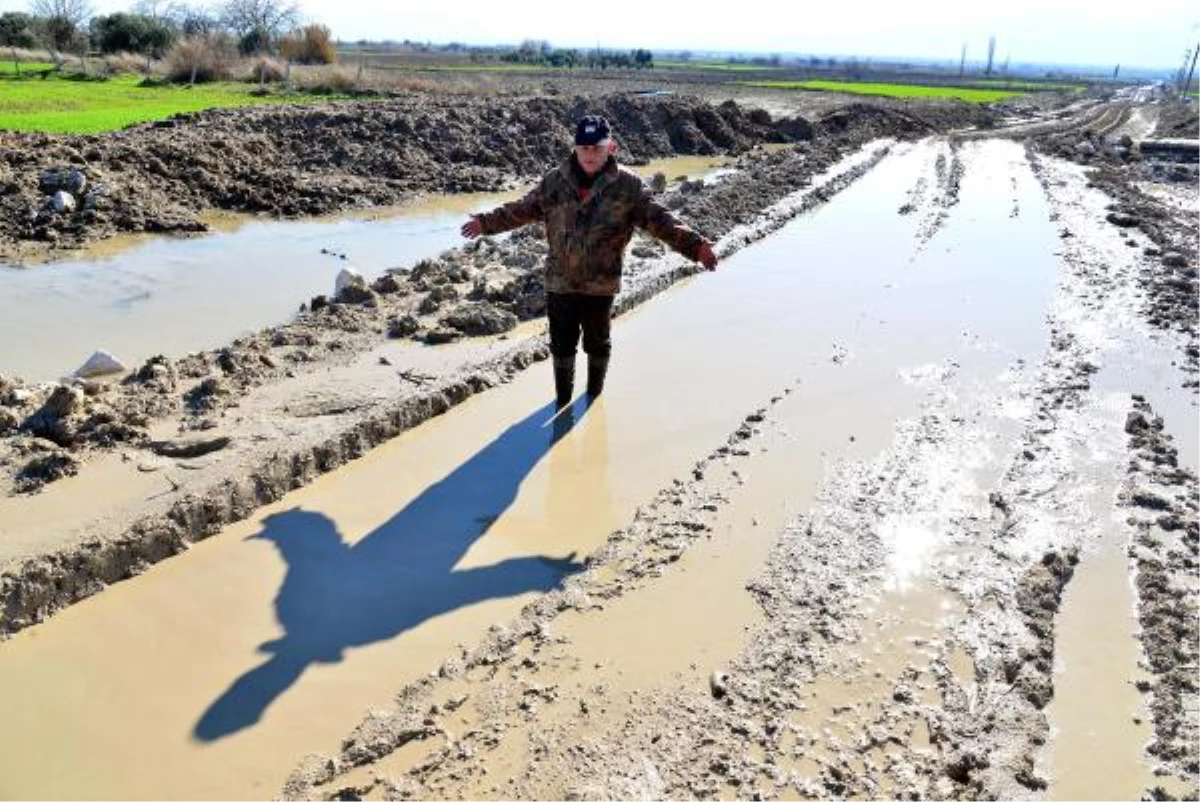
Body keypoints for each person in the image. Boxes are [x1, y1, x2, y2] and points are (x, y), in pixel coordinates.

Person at [461, 114, 718, 409]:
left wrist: (696, 247)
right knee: (561, 345)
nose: (590, 154)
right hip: (560, 282)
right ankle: (562, 400)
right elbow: (522, 209)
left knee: (597, 344)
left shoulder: (628, 186)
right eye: (583, 147)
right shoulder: (555, 181)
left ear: (612, 148)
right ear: (575, 148)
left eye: (597, 147)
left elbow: (660, 221)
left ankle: (594, 398)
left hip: (601, 285)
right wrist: (485, 222)